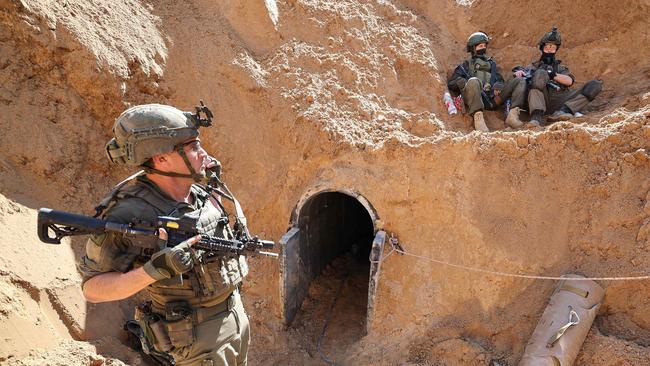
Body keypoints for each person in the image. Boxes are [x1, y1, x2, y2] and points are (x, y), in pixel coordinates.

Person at [78, 103, 251, 366]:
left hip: (235, 324)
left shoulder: (201, 193)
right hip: (195, 344)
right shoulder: (131, 212)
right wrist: (153, 271)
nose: (203, 153)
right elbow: (93, 289)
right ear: (161, 158)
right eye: (193, 147)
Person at [521, 27, 603, 126]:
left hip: (560, 99)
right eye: (547, 47)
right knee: (540, 75)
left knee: (594, 86)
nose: (549, 50)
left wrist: (552, 75)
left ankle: (564, 111)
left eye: (553, 48)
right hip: (541, 99)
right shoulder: (533, 66)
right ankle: (537, 117)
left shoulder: (561, 68)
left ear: (556, 50)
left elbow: (569, 81)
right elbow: (522, 80)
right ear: (542, 48)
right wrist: (532, 73)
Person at [448, 31, 527, 132]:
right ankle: (478, 119)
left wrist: (499, 84)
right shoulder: (465, 65)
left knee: (519, 81)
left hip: (493, 99)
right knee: (473, 81)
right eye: (480, 46)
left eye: (484, 45)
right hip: (475, 99)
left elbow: (499, 79)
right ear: (473, 48)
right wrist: (462, 82)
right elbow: (452, 83)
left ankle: (512, 115)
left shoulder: (491, 64)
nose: (483, 48)